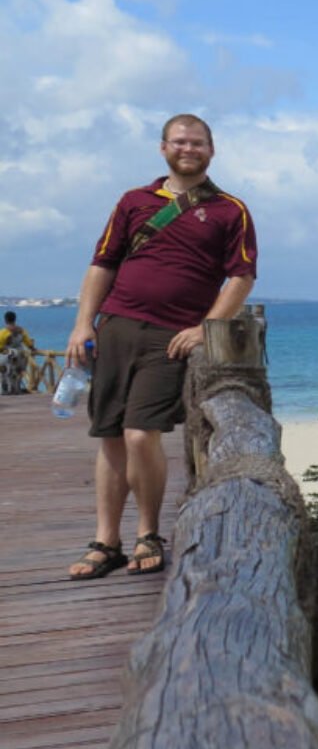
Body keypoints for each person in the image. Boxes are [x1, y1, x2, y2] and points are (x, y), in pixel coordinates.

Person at [65, 114, 257, 580]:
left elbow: (241, 276)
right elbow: (102, 264)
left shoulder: (232, 210)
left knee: (139, 432)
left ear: (212, 150)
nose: (187, 149)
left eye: (197, 143)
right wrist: (81, 324)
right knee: (109, 435)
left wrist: (206, 328)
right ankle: (105, 541)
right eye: (179, 141)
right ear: (163, 147)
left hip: (171, 336)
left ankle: (148, 533)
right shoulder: (134, 201)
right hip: (116, 327)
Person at [1, 311, 38, 395]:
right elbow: (28, 343)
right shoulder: (22, 331)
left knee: (6, 373)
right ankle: (16, 389)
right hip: (20, 355)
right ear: (15, 319)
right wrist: (33, 349)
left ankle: (6, 390)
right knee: (17, 373)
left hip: (7, 355)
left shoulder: (3, 332)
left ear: (6, 320)